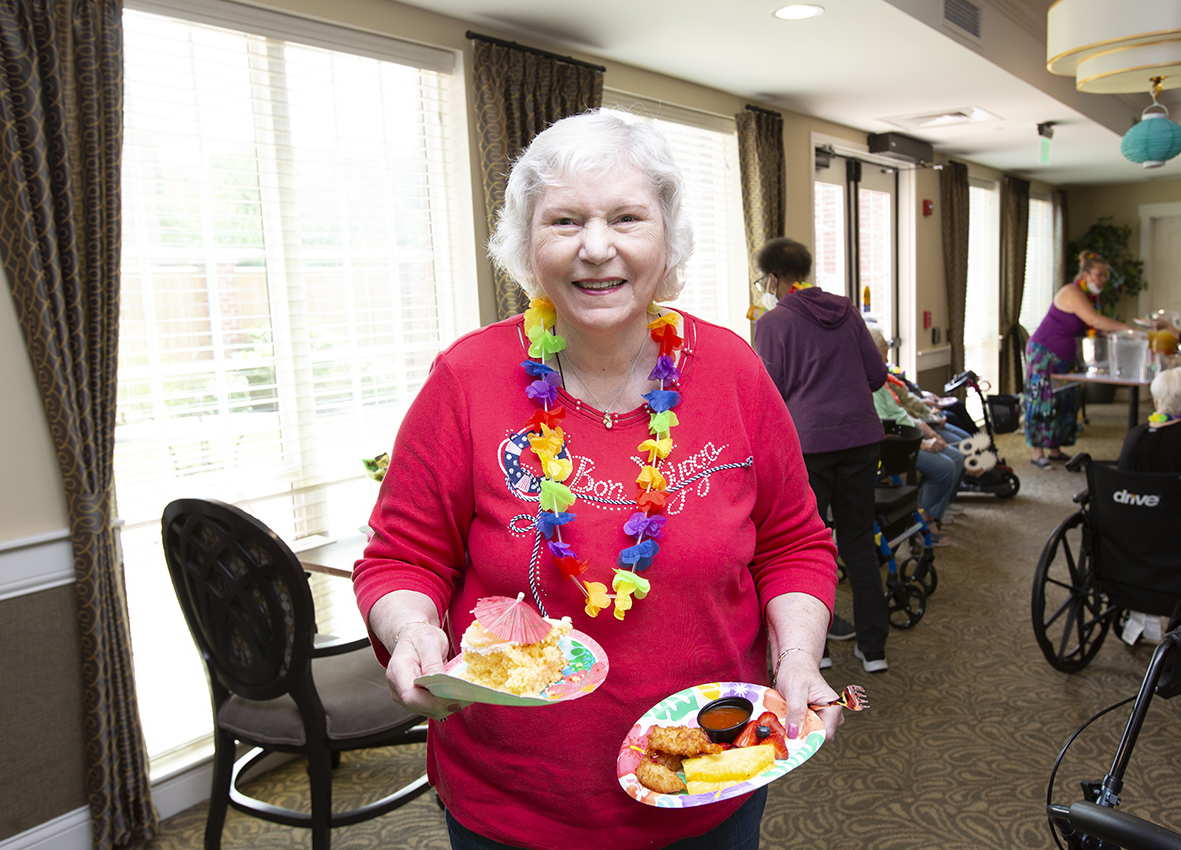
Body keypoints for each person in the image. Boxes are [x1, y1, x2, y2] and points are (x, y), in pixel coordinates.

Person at [351, 111, 843, 850]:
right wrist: (414, 629)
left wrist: (799, 657)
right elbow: (400, 559)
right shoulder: (466, 380)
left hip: (708, 781)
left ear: (668, 237)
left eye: (626, 217)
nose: (596, 248)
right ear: (526, 244)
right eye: (564, 221)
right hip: (515, 804)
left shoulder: (734, 372)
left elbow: (793, 545)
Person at [752, 236, 890, 674]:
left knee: (807, 549)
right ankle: (874, 650)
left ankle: (818, 651)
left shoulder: (774, 322)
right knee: (859, 543)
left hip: (810, 447)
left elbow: (769, 395)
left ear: (774, 277)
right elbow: (876, 374)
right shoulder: (846, 310)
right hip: (862, 440)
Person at [1024, 251, 1138, 470]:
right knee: (1043, 400)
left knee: (1066, 400)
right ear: (1085, 274)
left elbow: (1093, 327)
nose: (1103, 280)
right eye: (1099, 275)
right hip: (1045, 352)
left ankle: (1055, 449)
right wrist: (1129, 328)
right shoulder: (1072, 291)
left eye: (1105, 276)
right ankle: (1037, 452)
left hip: (1067, 355)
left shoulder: (1090, 297)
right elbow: (1093, 320)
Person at [867, 325, 963, 545]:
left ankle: (932, 512)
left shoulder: (881, 380)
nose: (888, 350)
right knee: (946, 467)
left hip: (912, 434)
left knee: (956, 455)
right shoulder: (870, 384)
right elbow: (887, 428)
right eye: (884, 346)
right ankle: (924, 519)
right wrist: (923, 443)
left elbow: (904, 414)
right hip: (898, 445)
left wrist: (929, 433)